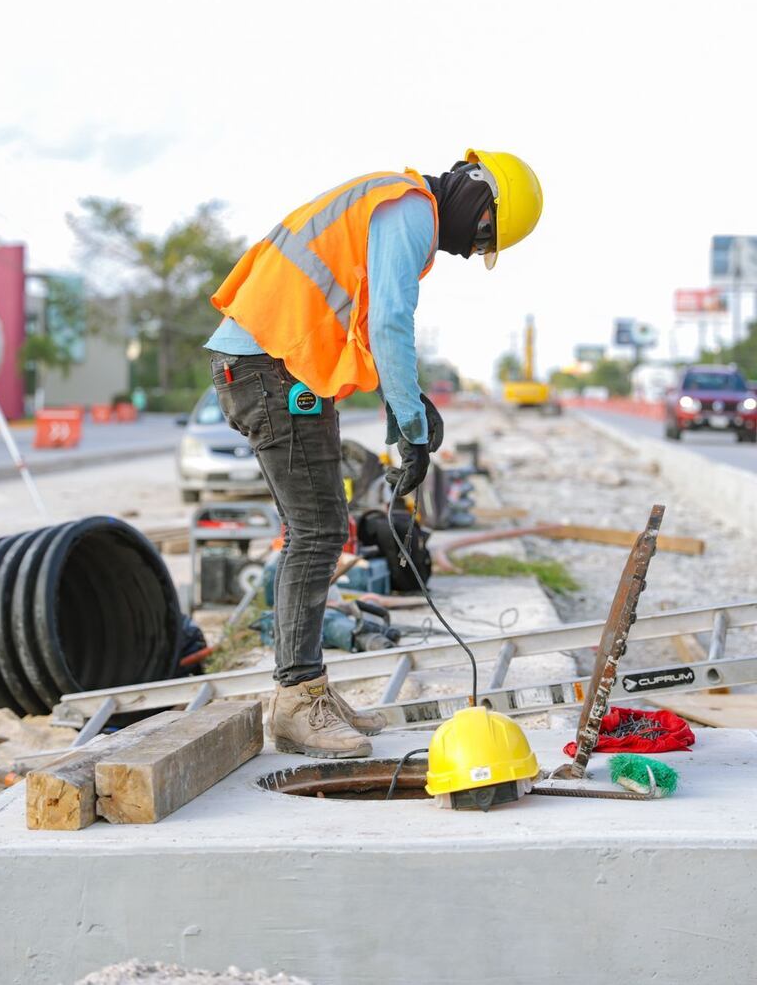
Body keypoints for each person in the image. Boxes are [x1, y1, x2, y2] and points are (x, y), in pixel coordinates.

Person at [205, 150, 542, 758]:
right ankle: (296, 703)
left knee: (315, 529)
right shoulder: (409, 208)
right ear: (477, 197)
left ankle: (307, 689)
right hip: (269, 368)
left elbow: (363, 324)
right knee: (316, 532)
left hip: (277, 366)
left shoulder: (390, 201)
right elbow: (389, 321)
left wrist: (402, 405)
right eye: (485, 233)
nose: (472, 249)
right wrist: (410, 423)